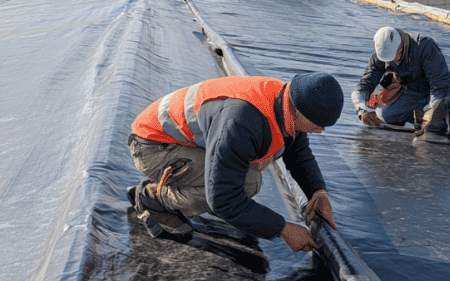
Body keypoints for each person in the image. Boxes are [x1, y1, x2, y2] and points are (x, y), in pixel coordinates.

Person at [128, 73, 344, 252]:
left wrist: (318, 192)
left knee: (243, 180)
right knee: (244, 184)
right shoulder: (241, 120)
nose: (321, 130)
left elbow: (298, 153)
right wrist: (283, 229)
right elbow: (224, 199)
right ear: (299, 112)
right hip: (152, 147)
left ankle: (189, 191)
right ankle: (155, 198)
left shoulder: (287, 102)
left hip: (182, 143)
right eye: (317, 125)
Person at [352, 26, 450, 140]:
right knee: (384, 113)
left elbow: (438, 85)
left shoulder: (424, 46)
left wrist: (432, 109)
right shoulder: (381, 55)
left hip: (444, 86)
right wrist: (362, 109)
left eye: (393, 56)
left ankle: (449, 117)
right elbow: (366, 84)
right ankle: (423, 117)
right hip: (415, 91)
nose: (391, 61)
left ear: (401, 46)